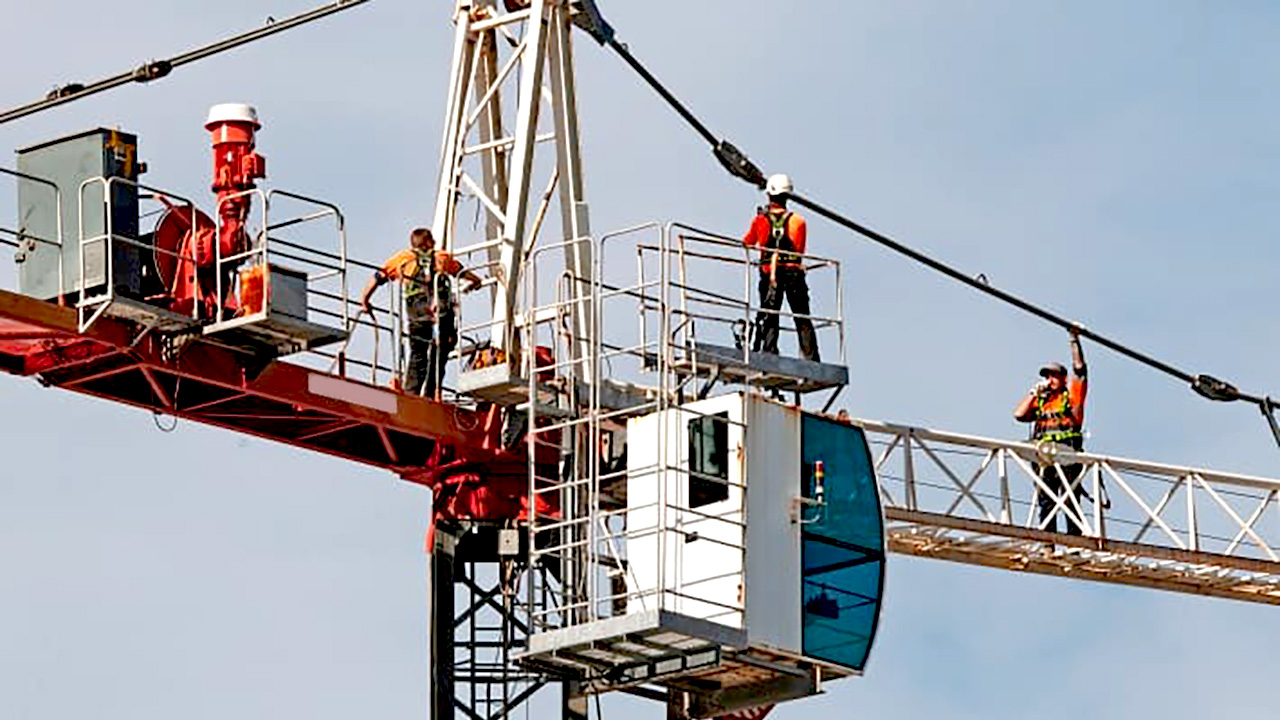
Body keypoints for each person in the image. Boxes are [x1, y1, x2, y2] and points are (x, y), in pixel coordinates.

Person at [361, 228, 481, 399]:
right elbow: (462, 273)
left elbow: (377, 277)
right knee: (442, 349)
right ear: (429, 242)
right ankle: (432, 392)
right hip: (441, 311)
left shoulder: (403, 259)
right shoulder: (441, 257)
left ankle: (411, 393)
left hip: (417, 313)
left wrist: (365, 300)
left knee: (418, 352)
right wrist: (476, 282)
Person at [1014, 329, 1088, 536]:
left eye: (1054, 375)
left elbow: (1080, 370)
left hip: (1067, 453)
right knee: (1046, 500)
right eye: (1047, 376)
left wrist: (1074, 340)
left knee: (1070, 499)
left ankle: (1074, 542)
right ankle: (1048, 542)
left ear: (1063, 378)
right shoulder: (1041, 401)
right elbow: (1019, 415)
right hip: (1044, 456)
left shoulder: (1071, 396)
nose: (1050, 379)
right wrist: (1033, 393)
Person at [742, 173, 820, 362]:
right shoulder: (798, 222)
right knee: (802, 316)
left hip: (770, 275)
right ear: (788, 196)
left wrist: (760, 222)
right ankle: (810, 356)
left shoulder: (760, 221)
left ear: (769, 195)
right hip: (793, 274)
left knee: (770, 315)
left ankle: (769, 352)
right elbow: (799, 251)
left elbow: (747, 243)